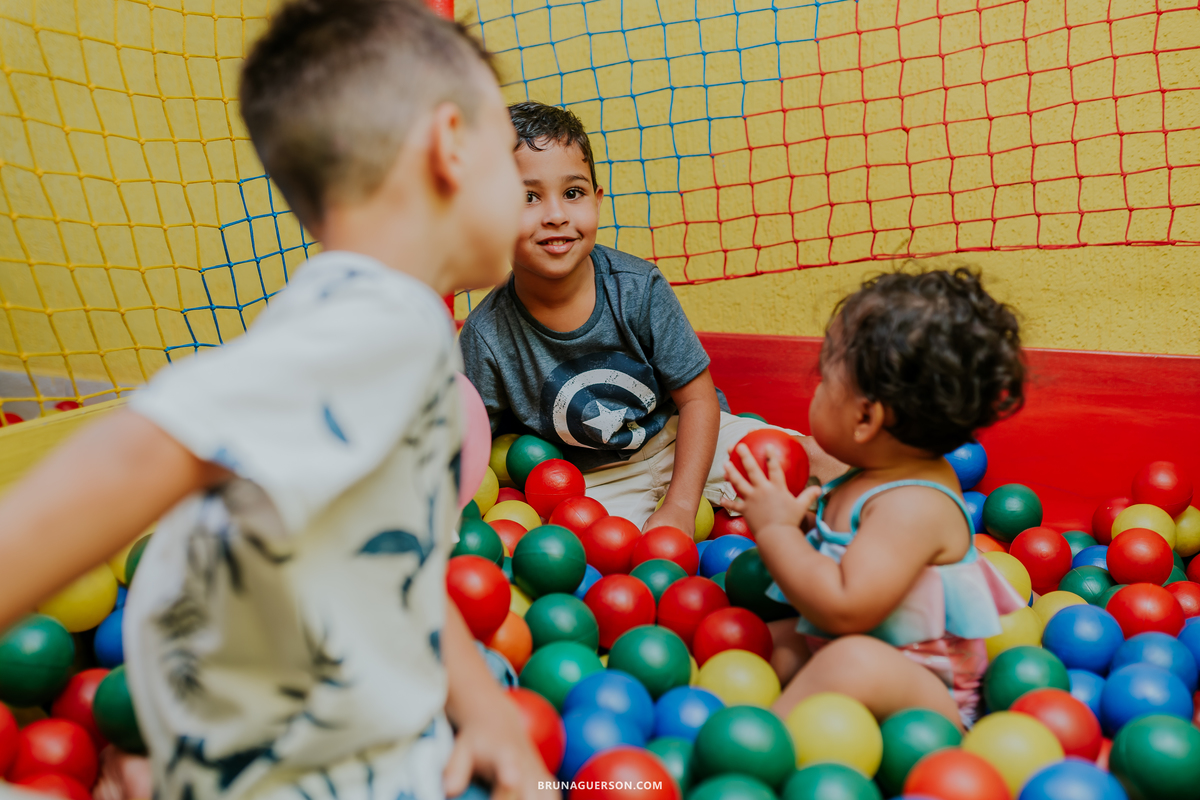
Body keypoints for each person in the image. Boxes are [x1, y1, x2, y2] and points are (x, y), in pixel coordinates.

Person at [0, 2, 553, 798]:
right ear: (450, 147)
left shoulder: (371, 325)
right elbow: (149, 444)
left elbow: (396, 565)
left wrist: (486, 712)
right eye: (510, 160)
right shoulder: (382, 327)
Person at [459, 101, 841, 533]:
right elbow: (469, 443)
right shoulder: (487, 335)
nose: (556, 215)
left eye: (573, 193)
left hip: (682, 438)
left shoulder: (637, 287)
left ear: (597, 201)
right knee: (589, 554)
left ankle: (889, 536)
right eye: (527, 197)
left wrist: (680, 505)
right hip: (594, 479)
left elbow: (698, 400)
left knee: (815, 459)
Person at [723, 268, 1027, 730]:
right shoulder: (871, 471)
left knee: (849, 662)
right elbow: (846, 551)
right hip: (850, 646)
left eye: (824, 379)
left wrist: (775, 530)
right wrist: (799, 520)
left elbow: (845, 607)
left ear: (865, 418)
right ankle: (706, 720)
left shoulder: (913, 506)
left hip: (927, 694)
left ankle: (756, 751)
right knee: (755, 639)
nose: (817, 389)